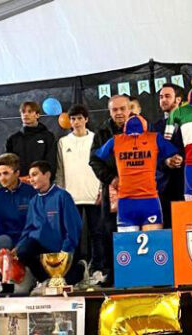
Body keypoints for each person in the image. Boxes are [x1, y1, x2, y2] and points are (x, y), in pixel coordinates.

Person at [93, 115, 179, 231]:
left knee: (128, 241)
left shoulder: (115, 140)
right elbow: (173, 151)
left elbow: (98, 155)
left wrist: (112, 175)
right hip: (149, 201)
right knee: (153, 240)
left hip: (127, 202)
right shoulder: (155, 138)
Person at [13, 160, 82, 292]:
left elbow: (74, 227)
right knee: (24, 251)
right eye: (30, 176)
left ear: (47, 175)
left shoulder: (62, 196)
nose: (31, 180)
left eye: (34, 175)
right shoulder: (33, 201)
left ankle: (80, 269)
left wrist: (65, 251)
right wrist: (17, 248)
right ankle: (44, 280)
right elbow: (28, 229)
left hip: (61, 250)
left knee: (70, 278)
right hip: (41, 250)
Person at [56, 104, 105, 284]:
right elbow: (60, 169)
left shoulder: (95, 139)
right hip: (71, 197)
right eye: (73, 119)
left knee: (97, 233)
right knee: (72, 235)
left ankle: (97, 269)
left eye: (79, 118)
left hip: (94, 195)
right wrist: (61, 193)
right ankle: (74, 273)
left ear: (86, 119)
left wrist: (101, 189)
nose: (76, 122)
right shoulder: (63, 142)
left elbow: (102, 165)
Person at [0, 153, 36, 290]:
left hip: (28, 240)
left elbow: (35, 226)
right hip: (8, 238)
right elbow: (0, 223)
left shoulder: (32, 193)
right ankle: (6, 278)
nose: (2, 178)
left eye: (6, 173)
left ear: (17, 173)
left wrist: (19, 247)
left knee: (20, 294)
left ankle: (30, 275)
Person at [91, 95, 131, 284]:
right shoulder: (102, 133)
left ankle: (140, 271)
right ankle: (113, 274)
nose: (119, 113)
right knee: (110, 231)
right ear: (109, 111)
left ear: (130, 109)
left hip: (139, 191)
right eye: (115, 110)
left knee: (138, 229)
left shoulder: (142, 128)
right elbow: (94, 160)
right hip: (113, 190)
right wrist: (111, 178)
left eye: (122, 109)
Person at [153, 83, 185, 228]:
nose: (163, 100)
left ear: (178, 99)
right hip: (164, 187)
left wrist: (182, 158)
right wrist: (166, 161)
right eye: (161, 97)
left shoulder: (189, 123)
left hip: (186, 184)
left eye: (167, 96)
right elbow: (151, 155)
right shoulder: (155, 127)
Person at [5, 101, 57, 175]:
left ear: (37, 115)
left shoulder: (48, 137)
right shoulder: (13, 139)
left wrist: (39, 177)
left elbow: (51, 162)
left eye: (30, 111)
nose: (26, 114)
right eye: (23, 112)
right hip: (20, 180)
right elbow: (8, 164)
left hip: (42, 179)